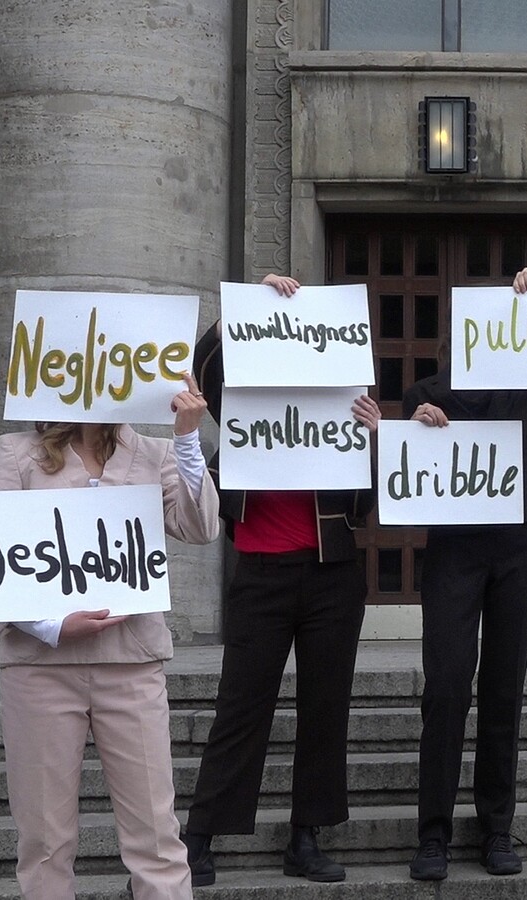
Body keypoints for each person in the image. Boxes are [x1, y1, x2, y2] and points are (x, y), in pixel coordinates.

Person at [0, 376, 220, 900]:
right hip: (39, 666)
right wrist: (50, 625)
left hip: (130, 662)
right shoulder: (15, 452)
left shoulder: (155, 452)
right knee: (44, 842)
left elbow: (202, 528)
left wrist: (186, 438)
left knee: (157, 837)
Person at [181, 273, 381, 885]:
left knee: (326, 707)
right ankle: (200, 836)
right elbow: (201, 369)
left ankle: (306, 836)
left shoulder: (344, 398)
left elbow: (366, 505)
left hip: (332, 574)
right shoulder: (242, 397)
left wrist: (375, 442)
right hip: (261, 569)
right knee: (241, 705)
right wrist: (239, 312)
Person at [406, 267, 527, 881]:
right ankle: (433, 834)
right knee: (446, 688)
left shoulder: (520, 380)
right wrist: (418, 421)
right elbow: (404, 458)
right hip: (453, 552)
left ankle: (497, 826)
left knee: (504, 687)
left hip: (518, 546)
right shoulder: (427, 390)